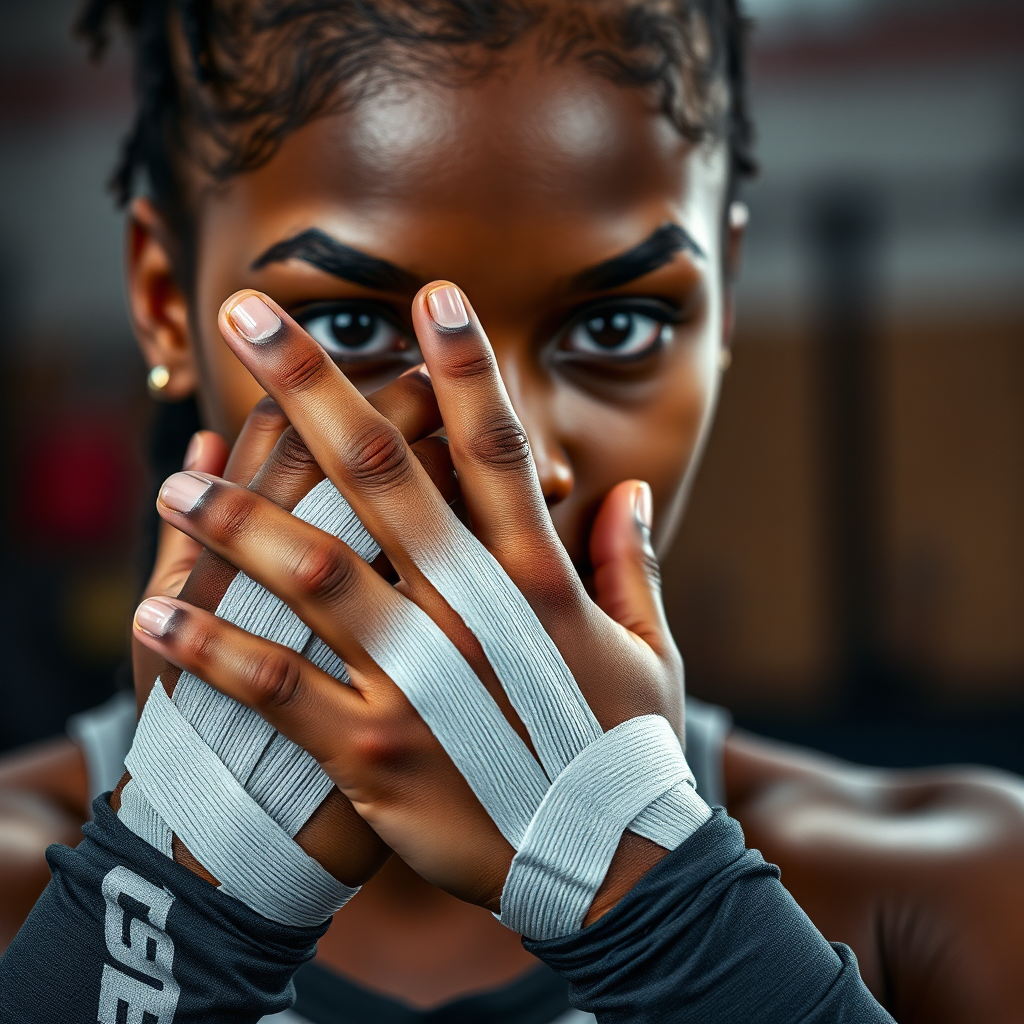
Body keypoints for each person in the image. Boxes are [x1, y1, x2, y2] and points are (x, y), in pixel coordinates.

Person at [0, 0, 1022, 1021]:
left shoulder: (951, 888)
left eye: (618, 327)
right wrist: (177, 901)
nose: (517, 463)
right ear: (165, 302)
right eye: (350, 326)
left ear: (726, 307)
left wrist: (668, 912)